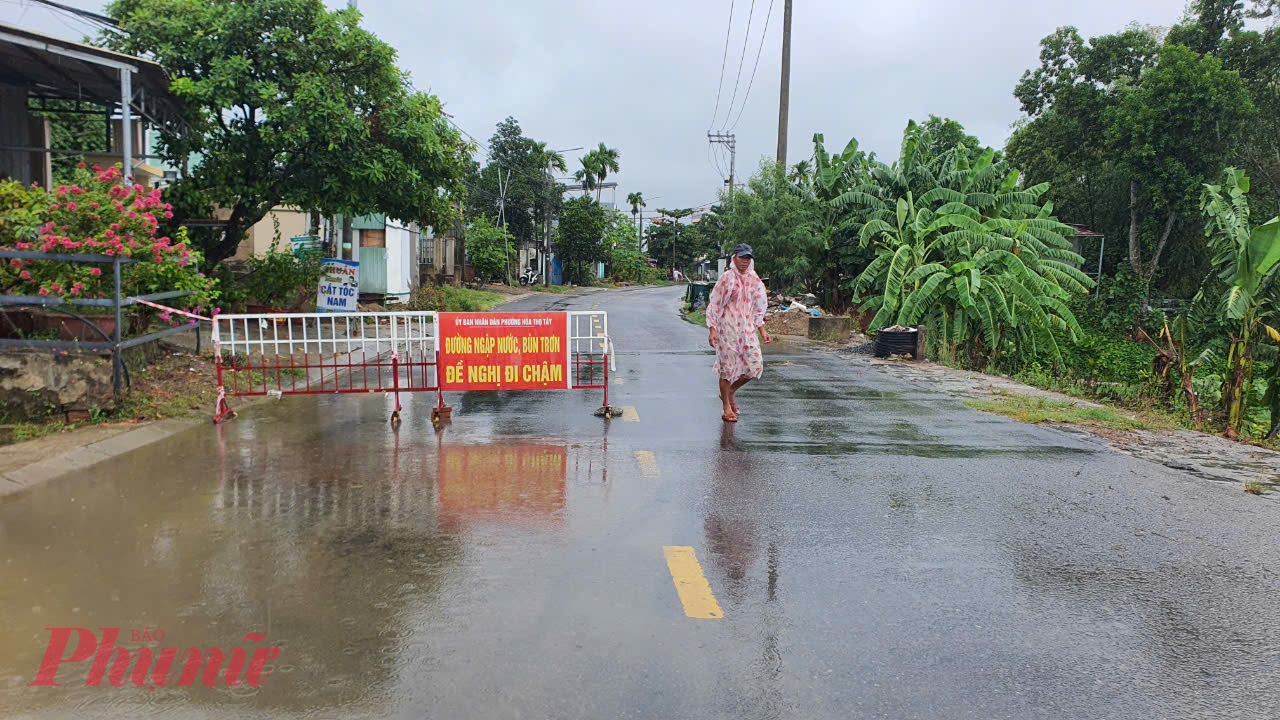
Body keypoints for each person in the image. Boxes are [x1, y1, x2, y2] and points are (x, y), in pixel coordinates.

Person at [706, 243, 772, 422]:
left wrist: (762, 330)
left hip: (747, 328)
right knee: (727, 369)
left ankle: (731, 391)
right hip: (727, 328)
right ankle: (726, 406)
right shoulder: (727, 278)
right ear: (734, 258)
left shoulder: (754, 279)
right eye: (741, 257)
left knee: (754, 365)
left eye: (747, 258)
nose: (744, 261)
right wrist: (712, 329)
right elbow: (715, 304)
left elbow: (759, 305)